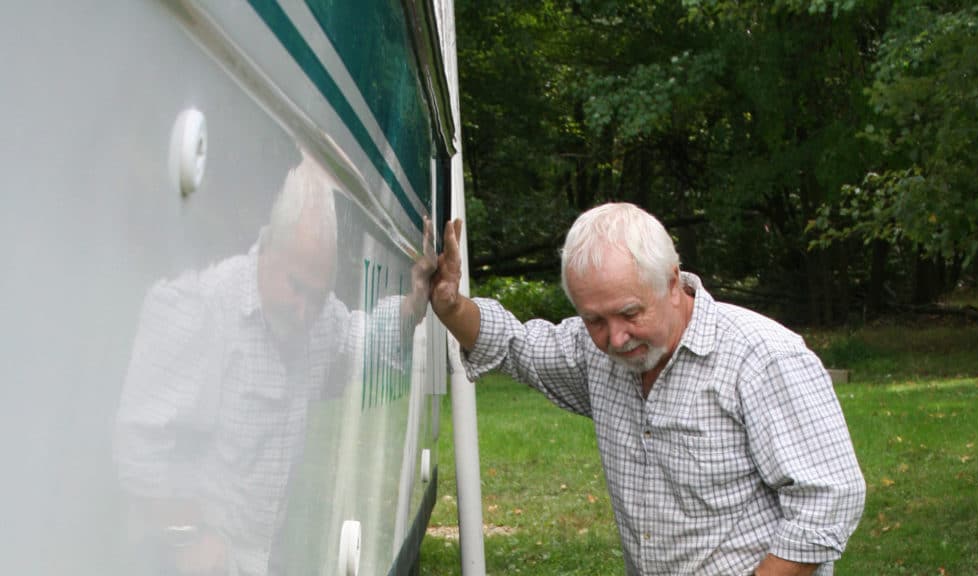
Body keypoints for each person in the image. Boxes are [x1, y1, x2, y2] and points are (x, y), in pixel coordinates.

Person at [429, 203, 866, 576]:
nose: (615, 339)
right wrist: (449, 305)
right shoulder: (594, 354)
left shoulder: (762, 357)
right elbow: (515, 345)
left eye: (629, 313)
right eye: (595, 320)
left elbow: (828, 499)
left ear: (673, 283)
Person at [113, 151, 433, 576]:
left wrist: (414, 305)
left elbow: (362, 339)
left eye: (318, 297)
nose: (304, 311)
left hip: (259, 557)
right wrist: (186, 535)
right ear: (268, 248)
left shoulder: (318, 319)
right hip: (185, 557)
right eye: (296, 288)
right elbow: (141, 443)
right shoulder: (197, 305)